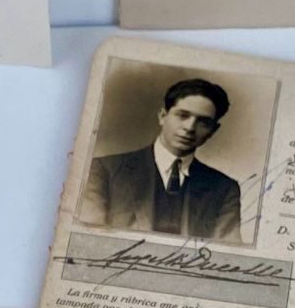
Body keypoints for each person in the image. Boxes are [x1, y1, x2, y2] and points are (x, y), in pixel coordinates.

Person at [80, 77, 244, 243]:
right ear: (163, 116)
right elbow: (90, 239)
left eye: (203, 122)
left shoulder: (224, 189)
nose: (189, 128)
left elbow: (225, 250)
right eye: (182, 115)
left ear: (213, 130)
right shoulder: (104, 170)